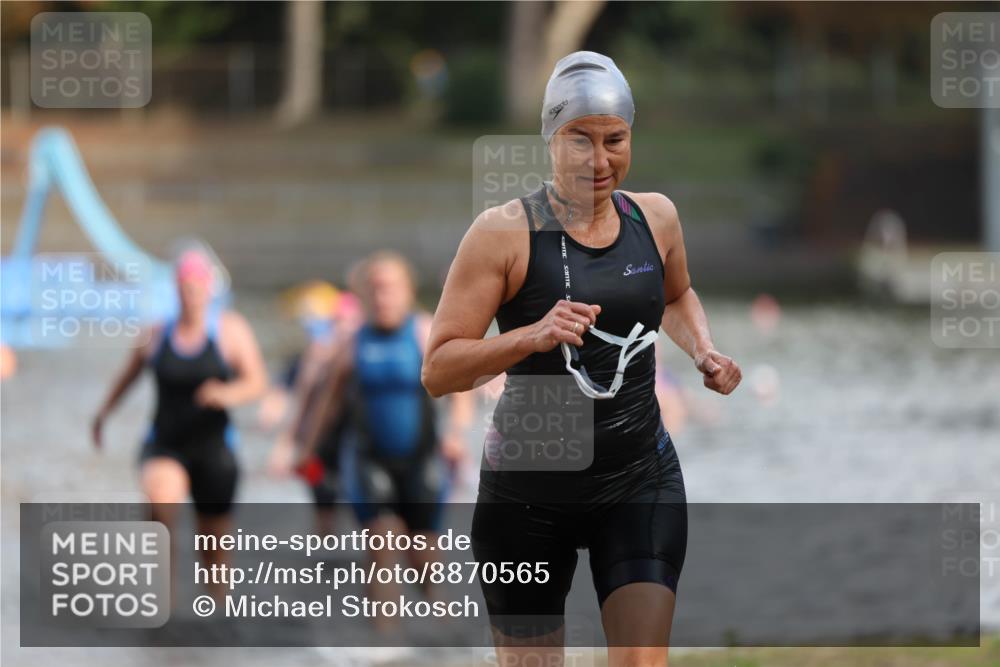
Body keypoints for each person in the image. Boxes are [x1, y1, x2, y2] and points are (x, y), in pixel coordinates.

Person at [421, 52, 742, 666]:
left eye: (614, 140)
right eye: (580, 141)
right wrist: (530, 336)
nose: (600, 160)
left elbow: (674, 294)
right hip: (528, 495)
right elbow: (438, 370)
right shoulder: (502, 233)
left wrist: (703, 349)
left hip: (638, 478)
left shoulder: (657, 217)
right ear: (551, 140)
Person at [302, 250, 473, 633]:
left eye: (390, 288)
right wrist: (305, 449)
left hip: (420, 458)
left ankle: (446, 633)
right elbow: (327, 403)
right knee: (380, 542)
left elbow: (461, 390)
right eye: (374, 289)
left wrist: (456, 433)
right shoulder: (351, 342)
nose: (383, 297)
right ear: (362, 295)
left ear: (408, 291)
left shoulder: (424, 332)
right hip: (368, 458)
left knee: (423, 552)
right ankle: (385, 638)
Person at [92, 248, 267, 600]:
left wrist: (226, 393)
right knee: (160, 504)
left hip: (214, 449)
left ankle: (215, 618)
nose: (191, 294)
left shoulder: (230, 330)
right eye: (184, 287)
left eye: (197, 287)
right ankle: (161, 606)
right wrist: (102, 414)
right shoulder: (156, 334)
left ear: (208, 289)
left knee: (214, 551)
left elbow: (257, 382)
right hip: (165, 443)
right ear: (176, 289)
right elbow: (127, 377)